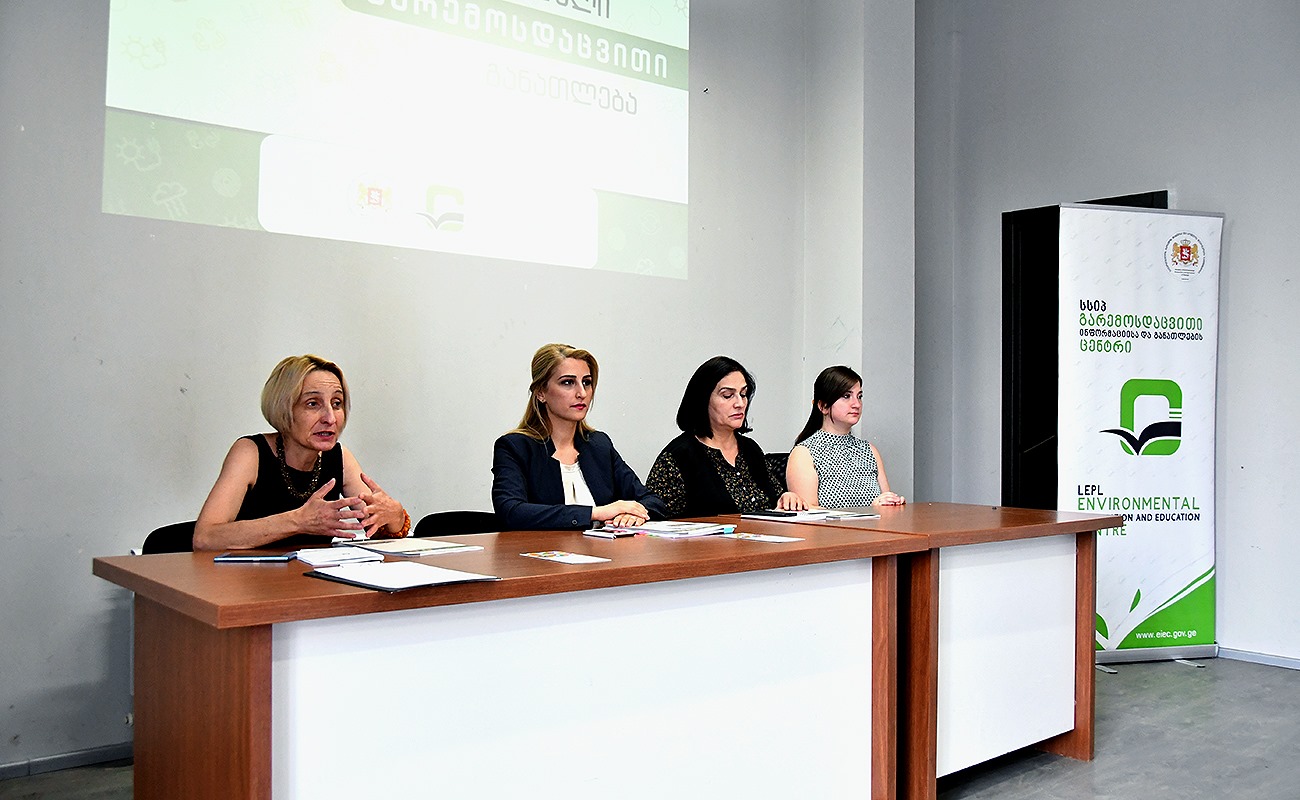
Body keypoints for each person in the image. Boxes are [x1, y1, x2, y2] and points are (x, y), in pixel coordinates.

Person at [193, 355, 409, 550]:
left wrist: (394, 515)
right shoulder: (250, 452)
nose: (330, 418)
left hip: (312, 579)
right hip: (247, 579)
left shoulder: (339, 456)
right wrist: (298, 521)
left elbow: (377, 528)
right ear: (283, 408)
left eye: (337, 403)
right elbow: (205, 538)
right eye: (313, 404)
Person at [491, 343, 665, 530]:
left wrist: (631, 515)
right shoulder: (515, 447)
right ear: (541, 392)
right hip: (543, 548)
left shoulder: (599, 444)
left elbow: (653, 501)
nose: (581, 393)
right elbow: (511, 511)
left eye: (587, 382)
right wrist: (595, 513)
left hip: (603, 547)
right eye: (568, 382)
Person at [646, 356, 806, 518]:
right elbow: (655, 517)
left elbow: (775, 499)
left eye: (743, 394)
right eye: (728, 395)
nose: (740, 403)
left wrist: (787, 498)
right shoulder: (678, 456)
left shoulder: (750, 449)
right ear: (703, 399)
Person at [785, 365, 905, 509]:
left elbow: (886, 504)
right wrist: (869, 510)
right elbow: (808, 513)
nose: (857, 404)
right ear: (823, 406)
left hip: (875, 524)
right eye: (846, 396)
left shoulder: (870, 451)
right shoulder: (804, 453)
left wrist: (892, 504)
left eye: (859, 396)